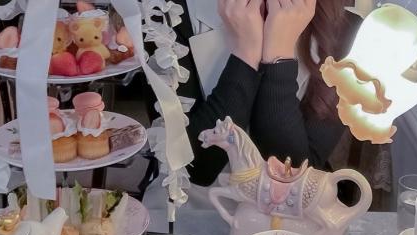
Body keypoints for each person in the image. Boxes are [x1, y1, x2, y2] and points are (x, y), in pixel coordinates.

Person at [144, 0, 391, 207]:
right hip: (189, 215)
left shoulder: (350, 30)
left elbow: (297, 174)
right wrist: (246, 54)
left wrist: (278, 54)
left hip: (294, 225)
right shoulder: (167, 14)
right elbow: (194, 167)